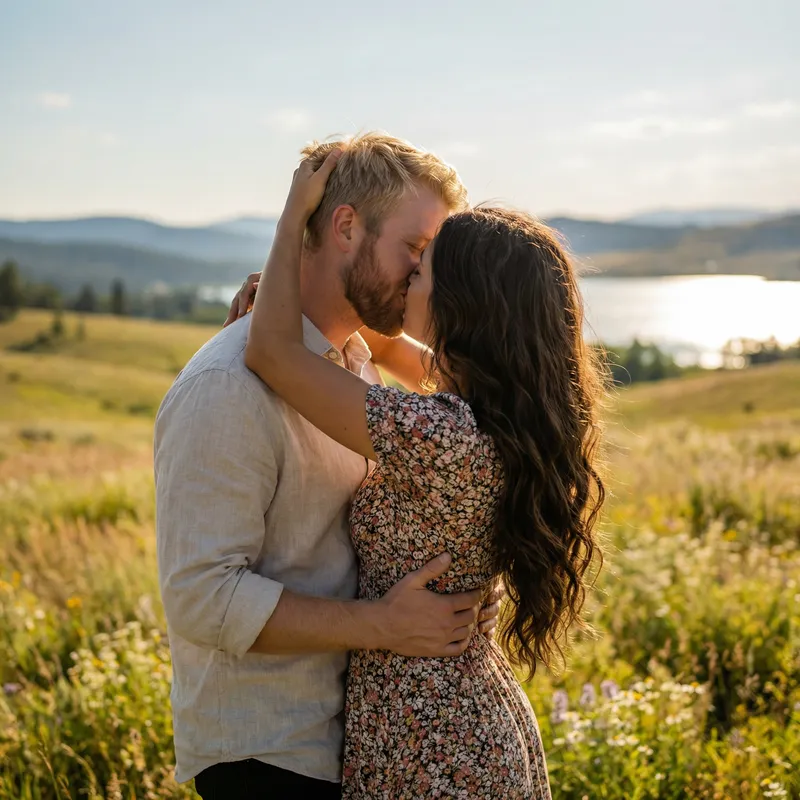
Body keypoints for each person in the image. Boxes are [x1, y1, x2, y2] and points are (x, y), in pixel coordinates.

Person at [240, 144, 605, 798]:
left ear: (458, 304)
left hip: (431, 738)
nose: (407, 282)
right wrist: (288, 289)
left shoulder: (439, 435)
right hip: (458, 716)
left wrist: (296, 217)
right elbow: (377, 336)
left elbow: (271, 354)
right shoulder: (494, 410)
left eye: (421, 272)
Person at [154, 133, 502, 799]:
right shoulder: (226, 387)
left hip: (355, 741)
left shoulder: (354, 365)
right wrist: (381, 625)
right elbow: (201, 597)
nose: (423, 274)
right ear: (346, 226)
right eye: (415, 250)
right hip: (270, 756)